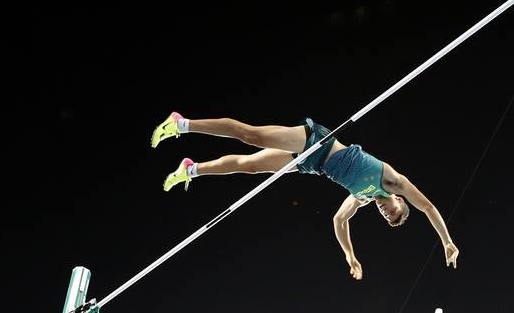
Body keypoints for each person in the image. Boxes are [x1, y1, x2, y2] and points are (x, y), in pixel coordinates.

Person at [151, 112, 459, 281]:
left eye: (386, 218)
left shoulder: (362, 198)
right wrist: (446, 240)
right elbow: (428, 207)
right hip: (318, 142)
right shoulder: (394, 181)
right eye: (393, 211)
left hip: (310, 164)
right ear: (400, 202)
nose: (385, 211)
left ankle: (190, 170)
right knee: (251, 134)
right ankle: (181, 124)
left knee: (249, 166)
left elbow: (339, 220)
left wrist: (349, 255)